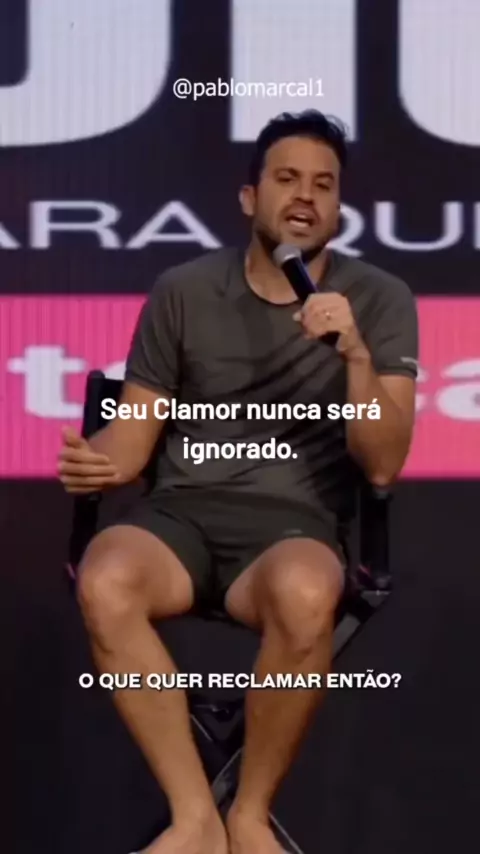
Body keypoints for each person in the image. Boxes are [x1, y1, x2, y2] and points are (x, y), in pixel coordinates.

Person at [58, 110, 418, 854]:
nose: (305, 196)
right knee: (106, 577)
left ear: (338, 208)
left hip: (291, 527)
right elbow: (133, 435)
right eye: (287, 179)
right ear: (250, 197)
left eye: (323, 185)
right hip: (179, 519)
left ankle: (248, 814)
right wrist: (100, 460)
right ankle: (195, 816)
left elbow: (383, 462)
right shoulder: (183, 289)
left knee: (308, 592)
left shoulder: (380, 299)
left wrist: (355, 357)